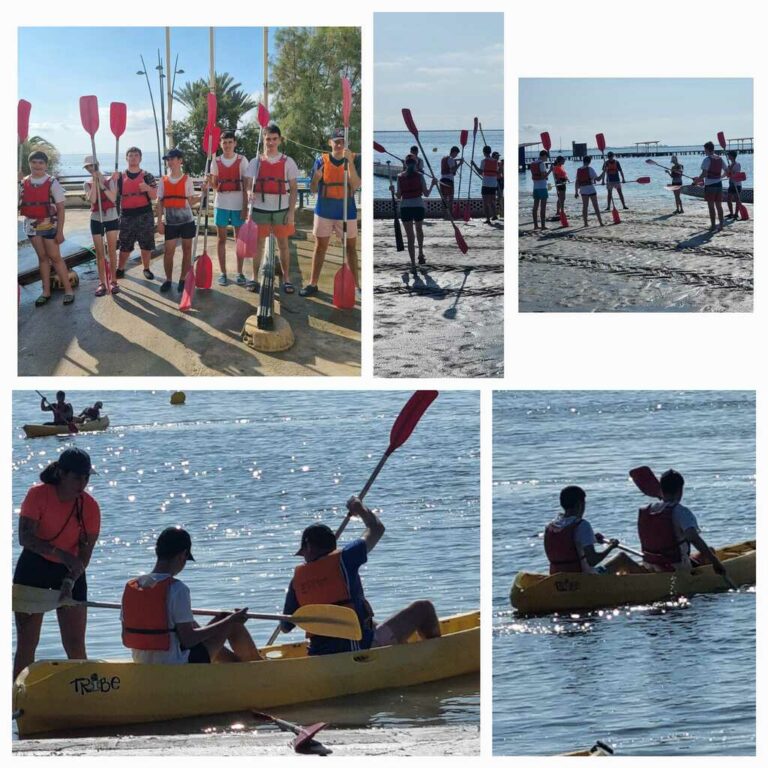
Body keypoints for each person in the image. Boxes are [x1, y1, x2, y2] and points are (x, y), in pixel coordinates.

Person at [277, 497, 441, 655]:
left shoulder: (296, 582)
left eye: (303, 551)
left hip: (320, 656)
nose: (304, 556)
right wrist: (361, 510)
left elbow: (285, 627)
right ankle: (434, 657)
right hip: (360, 650)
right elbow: (376, 528)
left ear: (310, 548)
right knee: (424, 608)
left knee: (372, 624)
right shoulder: (346, 558)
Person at [13, 448, 100, 680]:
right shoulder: (38, 495)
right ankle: (16, 701)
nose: (82, 483)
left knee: (75, 644)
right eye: (77, 477)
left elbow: (85, 554)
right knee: (27, 644)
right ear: (61, 473)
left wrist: (70, 578)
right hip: (34, 568)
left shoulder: (90, 506)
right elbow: (25, 538)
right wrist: (62, 555)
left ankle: (85, 698)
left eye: (87, 477)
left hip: (71, 571)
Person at [121, 527, 262, 664]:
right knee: (232, 623)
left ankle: (235, 667)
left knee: (220, 619)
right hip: (175, 663)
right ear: (183, 555)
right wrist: (230, 620)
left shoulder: (133, 586)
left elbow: (125, 635)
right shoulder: (177, 588)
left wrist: (222, 621)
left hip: (142, 661)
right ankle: (259, 669)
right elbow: (188, 639)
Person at [300, 128, 361, 298]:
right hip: (324, 211)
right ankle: (313, 284)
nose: (340, 144)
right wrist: (315, 179)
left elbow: (356, 185)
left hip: (346, 212)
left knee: (350, 249)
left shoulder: (355, 160)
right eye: (337, 141)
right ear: (330, 142)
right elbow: (312, 189)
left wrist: (350, 163)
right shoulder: (321, 161)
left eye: (342, 141)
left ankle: (357, 286)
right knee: (320, 247)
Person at [637, 470, 728, 575]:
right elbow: (693, 538)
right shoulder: (681, 512)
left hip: (650, 564)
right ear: (680, 490)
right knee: (710, 552)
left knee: (707, 552)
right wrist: (715, 563)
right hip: (678, 567)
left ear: (661, 489)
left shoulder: (647, 510)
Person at [244, 123, 299, 294]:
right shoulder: (255, 161)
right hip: (260, 210)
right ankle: (254, 277)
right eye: (268, 139)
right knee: (258, 245)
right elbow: (247, 184)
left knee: (283, 245)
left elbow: (294, 189)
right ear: (264, 140)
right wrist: (248, 193)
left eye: (274, 139)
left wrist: (291, 212)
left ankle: (286, 279)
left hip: (281, 210)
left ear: (280, 140)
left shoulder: (288, 162)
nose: (271, 142)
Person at [18, 150, 75, 307]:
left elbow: (61, 209)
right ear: (29, 163)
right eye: (34, 162)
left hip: (50, 225)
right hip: (31, 225)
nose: (37, 165)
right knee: (42, 258)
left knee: (55, 258)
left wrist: (60, 231)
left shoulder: (52, 182)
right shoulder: (22, 182)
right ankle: (46, 292)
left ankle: (68, 290)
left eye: (41, 162)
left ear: (45, 165)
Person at [544, 486, 643, 575]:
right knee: (622, 558)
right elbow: (592, 560)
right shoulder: (582, 525)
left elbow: (566, 546)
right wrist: (611, 547)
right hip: (583, 579)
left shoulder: (550, 526)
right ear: (580, 504)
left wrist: (592, 538)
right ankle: (651, 583)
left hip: (558, 576)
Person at [210, 131, 249, 285]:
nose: (227, 145)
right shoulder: (215, 161)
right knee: (221, 240)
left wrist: (245, 207)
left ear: (235, 143)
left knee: (240, 240)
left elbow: (246, 186)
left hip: (238, 204)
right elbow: (214, 185)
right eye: (224, 142)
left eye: (230, 142)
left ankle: (240, 273)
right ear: (220, 144)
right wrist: (210, 181)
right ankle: (223, 273)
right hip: (221, 204)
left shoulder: (242, 160)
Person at [156, 148, 197, 293]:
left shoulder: (188, 179)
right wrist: (160, 222)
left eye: (172, 158)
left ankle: (183, 279)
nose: (170, 161)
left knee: (187, 250)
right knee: (169, 252)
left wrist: (203, 193)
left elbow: (191, 202)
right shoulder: (163, 180)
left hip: (187, 221)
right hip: (171, 222)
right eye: (168, 159)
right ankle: (168, 279)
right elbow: (159, 202)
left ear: (180, 161)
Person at [116, 147, 157, 282]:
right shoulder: (120, 178)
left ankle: (146, 268)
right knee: (125, 245)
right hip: (126, 216)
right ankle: (120, 268)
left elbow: (154, 196)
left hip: (145, 214)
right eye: (131, 155)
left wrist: (148, 188)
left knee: (146, 244)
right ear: (126, 158)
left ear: (140, 158)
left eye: (136, 155)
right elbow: (113, 196)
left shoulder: (147, 176)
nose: (133, 158)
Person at [390, 153, 436, 269]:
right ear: (416, 164)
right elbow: (426, 194)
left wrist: (393, 191)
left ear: (405, 164)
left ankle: (413, 264)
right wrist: (432, 185)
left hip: (405, 207)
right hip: (418, 206)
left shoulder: (400, 177)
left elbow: (398, 197)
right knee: (419, 230)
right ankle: (420, 253)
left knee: (410, 237)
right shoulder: (420, 176)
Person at [83, 155, 120, 296]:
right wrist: (94, 182)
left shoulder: (111, 179)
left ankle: (114, 281)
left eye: (92, 165)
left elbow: (113, 198)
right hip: (96, 218)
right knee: (99, 253)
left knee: (111, 250)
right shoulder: (86, 183)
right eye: (87, 167)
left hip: (111, 217)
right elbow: (92, 199)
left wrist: (101, 184)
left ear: (97, 164)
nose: (90, 168)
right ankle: (102, 283)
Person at [697, 141, 725, 231]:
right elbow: (727, 170)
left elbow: (704, 174)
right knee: (719, 206)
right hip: (719, 185)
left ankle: (713, 226)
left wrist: (697, 180)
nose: (704, 151)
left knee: (711, 207)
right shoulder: (720, 158)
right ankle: (721, 225)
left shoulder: (707, 159)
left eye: (705, 149)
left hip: (710, 186)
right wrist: (720, 177)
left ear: (708, 149)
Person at [574, 156, 604, 227]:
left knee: (585, 206)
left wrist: (576, 192)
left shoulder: (579, 170)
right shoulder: (590, 169)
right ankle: (600, 222)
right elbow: (598, 179)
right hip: (590, 189)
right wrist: (604, 171)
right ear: (589, 162)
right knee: (595, 206)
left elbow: (577, 182)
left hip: (583, 190)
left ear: (583, 161)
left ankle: (585, 223)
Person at [474, 145, 499, 224]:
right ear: (490, 152)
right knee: (492, 201)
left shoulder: (483, 161)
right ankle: (494, 215)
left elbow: (480, 172)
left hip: (486, 184)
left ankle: (488, 219)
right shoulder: (496, 162)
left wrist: (474, 165)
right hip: (493, 184)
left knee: (485, 203)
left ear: (484, 152)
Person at [529, 149, 551, 230]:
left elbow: (537, 175)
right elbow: (543, 177)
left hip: (535, 187)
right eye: (546, 157)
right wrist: (550, 171)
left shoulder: (533, 163)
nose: (547, 159)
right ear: (544, 155)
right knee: (543, 207)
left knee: (535, 206)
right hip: (542, 187)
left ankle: (535, 225)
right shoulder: (541, 163)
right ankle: (543, 226)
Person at [438, 146, 462, 218]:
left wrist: (457, 160)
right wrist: (460, 164)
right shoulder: (451, 159)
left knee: (444, 199)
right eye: (456, 154)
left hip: (442, 180)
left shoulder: (444, 158)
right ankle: (450, 215)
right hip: (449, 181)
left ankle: (444, 215)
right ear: (454, 152)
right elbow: (452, 170)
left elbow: (450, 161)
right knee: (450, 199)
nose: (456, 155)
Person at [724, 150, 743, 220]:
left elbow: (736, 174)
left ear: (732, 156)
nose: (728, 156)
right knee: (728, 199)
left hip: (737, 184)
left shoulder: (737, 164)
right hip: (731, 184)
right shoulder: (730, 164)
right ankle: (731, 213)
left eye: (729, 155)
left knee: (737, 199)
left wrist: (730, 170)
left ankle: (736, 214)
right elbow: (728, 175)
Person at [551, 156, 569, 221]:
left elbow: (564, 174)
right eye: (563, 160)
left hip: (563, 183)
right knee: (561, 198)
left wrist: (567, 179)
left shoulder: (561, 166)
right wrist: (560, 181)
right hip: (559, 184)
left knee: (563, 198)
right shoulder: (555, 167)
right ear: (560, 160)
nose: (564, 161)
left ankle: (560, 210)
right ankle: (560, 211)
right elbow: (556, 176)